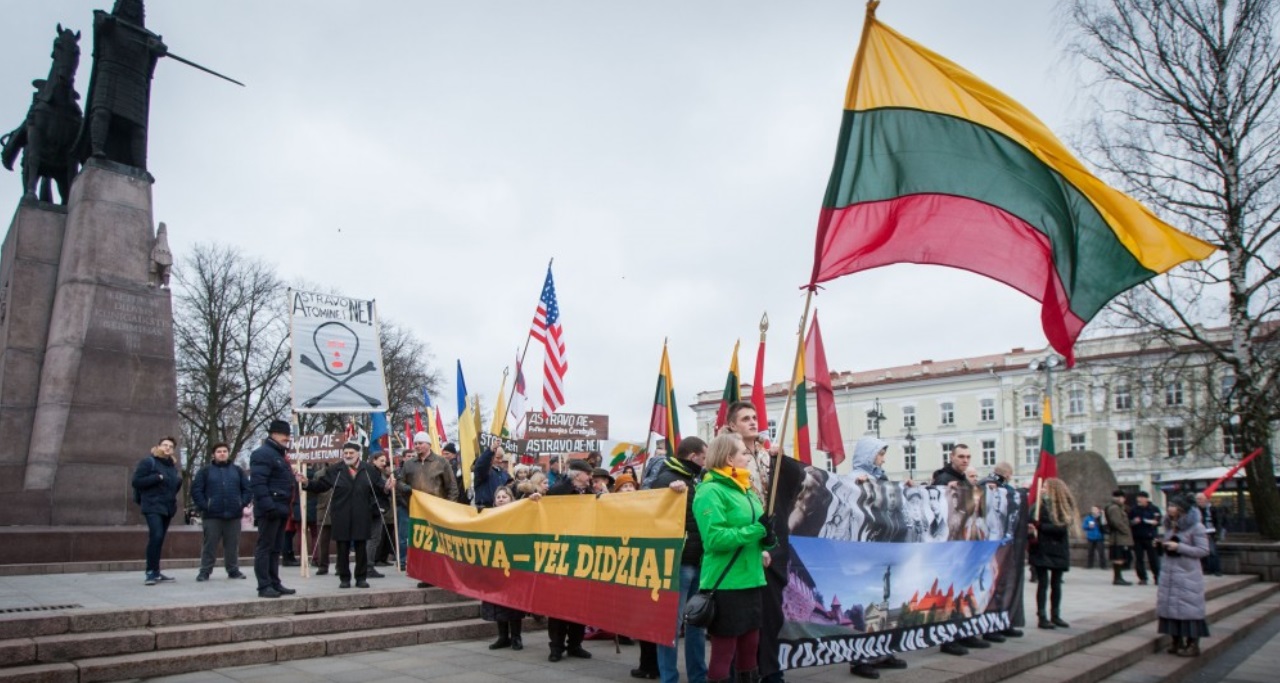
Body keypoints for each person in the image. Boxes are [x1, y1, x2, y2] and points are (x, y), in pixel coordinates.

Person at [721, 401, 805, 683]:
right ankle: (741, 673)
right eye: (745, 418)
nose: (753, 422)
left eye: (755, 417)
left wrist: (784, 459)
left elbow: (794, 487)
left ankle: (770, 670)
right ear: (732, 425)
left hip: (774, 542)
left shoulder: (769, 455)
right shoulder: (726, 458)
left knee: (771, 614)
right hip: (745, 546)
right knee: (742, 618)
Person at [694, 433, 775, 683]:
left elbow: (756, 532)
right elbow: (715, 539)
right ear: (729, 458)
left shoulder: (746, 489)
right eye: (743, 453)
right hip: (726, 582)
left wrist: (768, 540)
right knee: (724, 651)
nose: (748, 457)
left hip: (752, 578)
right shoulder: (710, 490)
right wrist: (758, 530)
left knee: (750, 648)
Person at [641, 436, 708, 683]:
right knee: (671, 626)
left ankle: (698, 676)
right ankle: (670, 677)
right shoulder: (667, 480)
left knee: (696, 625)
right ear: (693, 457)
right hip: (678, 565)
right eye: (704, 455)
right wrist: (667, 494)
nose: (707, 460)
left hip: (697, 561)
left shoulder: (696, 480)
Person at [847, 437, 911, 678]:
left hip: (885, 549)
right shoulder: (854, 477)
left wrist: (905, 489)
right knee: (867, 604)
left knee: (886, 602)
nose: (883, 458)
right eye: (880, 453)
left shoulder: (881, 478)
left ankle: (883, 651)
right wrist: (857, 485)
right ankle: (859, 658)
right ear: (869, 454)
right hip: (865, 551)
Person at [301, 442, 393, 589]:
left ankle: (361, 578)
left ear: (358, 454)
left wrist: (387, 488)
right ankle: (344, 578)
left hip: (362, 513)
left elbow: (380, 489)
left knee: (361, 547)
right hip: (341, 514)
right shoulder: (335, 469)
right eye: (346, 453)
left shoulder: (368, 469)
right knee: (342, 547)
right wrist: (307, 483)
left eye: (351, 453)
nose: (348, 455)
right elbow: (321, 486)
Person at [930, 444, 989, 655]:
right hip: (949, 545)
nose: (965, 460)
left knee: (965, 590)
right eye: (961, 456)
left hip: (965, 544)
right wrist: (946, 492)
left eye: (968, 456)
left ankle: (965, 633)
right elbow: (935, 508)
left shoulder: (965, 481)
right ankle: (948, 639)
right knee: (949, 593)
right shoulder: (944, 479)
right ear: (952, 457)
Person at [545, 459, 595, 662]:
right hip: (562, 552)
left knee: (580, 602)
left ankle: (575, 643)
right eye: (587, 474)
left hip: (584, 552)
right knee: (558, 604)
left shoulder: (591, 494)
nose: (590, 477)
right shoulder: (558, 491)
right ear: (576, 474)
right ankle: (556, 646)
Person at [1156, 495, 1211, 657]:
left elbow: (1203, 550)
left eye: (1172, 505)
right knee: (1171, 609)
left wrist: (1179, 547)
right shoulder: (1169, 526)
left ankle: (1193, 644)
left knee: (1189, 610)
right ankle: (1176, 640)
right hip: (1169, 574)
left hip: (1187, 574)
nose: (1169, 509)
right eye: (1169, 505)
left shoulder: (1196, 527)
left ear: (1182, 509)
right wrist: (1161, 545)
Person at [250, 419, 299, 598]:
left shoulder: (279, 455)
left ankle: (274, 582)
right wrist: (268, 506)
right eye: (285, 435)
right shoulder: (263, 454)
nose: (287, 438)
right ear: (274, 434)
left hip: (281, 507)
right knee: (265, 547)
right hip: (270, 508)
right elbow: (258, 483)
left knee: (275, 548)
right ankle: (264, 585)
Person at [483, 486, 535, 650]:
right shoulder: (489, 516)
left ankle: (516, 637)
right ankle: (503, 637)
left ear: (512, 499)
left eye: (505, 496)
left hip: (514, 565)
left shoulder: (518, 515)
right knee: (498, 602)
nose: (501, 499)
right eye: (498, 497)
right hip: (496, 565)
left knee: (513, 603)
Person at [191, 442, 251, 581]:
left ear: (228, 453)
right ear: (214, 454)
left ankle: (233, 570)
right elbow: (196, 490)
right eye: (219, 451)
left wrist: (241, 503)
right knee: (209, 544)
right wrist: (205, 506)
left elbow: (247, 489)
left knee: (232, 545)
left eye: (224, 451)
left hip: (233, 514)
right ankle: (205, 571)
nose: (222, 453)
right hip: (212, 515)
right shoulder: (205, 471)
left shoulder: (237, 470)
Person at [1029, 478, 1079, 629]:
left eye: (1045, 487)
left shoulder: (1063, 507)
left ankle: (1055, 614)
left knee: (1056, 584)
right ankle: (1042, 616)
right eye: (1042, 486)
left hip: (1057, 550)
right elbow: (1030, 522)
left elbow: (1061, 528)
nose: (1043, 489)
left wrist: (1041, 526)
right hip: (1041, 549)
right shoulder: (1037, 506)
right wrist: (1031, 527)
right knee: (1042, 584)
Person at [132, 436, 182, 586]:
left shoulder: (171, 466)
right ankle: (150, 572)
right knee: (156, 536)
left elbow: (174, 486)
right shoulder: (149, 462)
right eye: (164, 445)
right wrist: (156, 478)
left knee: (159, 539)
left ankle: (156, 571)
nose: (167, 448)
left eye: (170, 446)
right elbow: (136, 482)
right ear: (158, 446)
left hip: (167, 507)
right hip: (152, 506)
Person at [365, 450, 393, 577]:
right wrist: (386, 487)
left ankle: (367, 565)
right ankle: (368, 566)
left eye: (384, 460)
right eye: (381, 460)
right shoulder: (372, 473)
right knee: (373, 538)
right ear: (373, 461)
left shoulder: (377, 472)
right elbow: (379, 487)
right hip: (373, 509)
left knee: (374, 538)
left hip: (375, 508)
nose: (384, 463)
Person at [1130, 491, 1163, 585]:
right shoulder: (1134, 509)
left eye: (1141, 498)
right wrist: (1133, 522)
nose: (1139, 500)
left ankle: (1157, 576)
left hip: (1151, 536)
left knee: (1153, 558)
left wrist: (1156, 522)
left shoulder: (1154, 509)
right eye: (1138, 499)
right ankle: (1142, 578)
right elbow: (1129, 522)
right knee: (1139, 558)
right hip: (1137, 537)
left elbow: (1159, 520)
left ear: (1146, 499)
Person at [1104, 490, 1135, 586]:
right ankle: (1117, 578)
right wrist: (1126, 530)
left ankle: (1118, 577)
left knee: (1120, 557)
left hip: (1119, 536)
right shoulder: (1114, 508)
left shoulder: (1117, 507)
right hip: (1119, 537)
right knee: (1118, 557)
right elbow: (1117, 522)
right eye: (1123, 498)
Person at [1194, 493, 1222, 577]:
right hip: (1200, 533)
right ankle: (1207, 569)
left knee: (1213, 551)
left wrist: (1217, 533)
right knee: (1203, 552)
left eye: (1200, 499)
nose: (1198, 501)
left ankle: (1217, 570)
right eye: (1197, 499)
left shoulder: (1212, 509)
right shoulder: (1196, 510)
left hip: (1211, 532)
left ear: (1205, 500)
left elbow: (1217, 521)